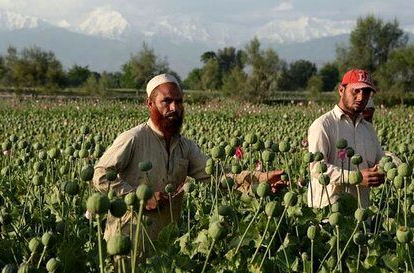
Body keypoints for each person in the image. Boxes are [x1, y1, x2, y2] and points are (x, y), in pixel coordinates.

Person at [93, 73, 285, 244]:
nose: (174, 108)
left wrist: (260, 181)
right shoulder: (134, 138)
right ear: (150, 104)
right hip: (128, 239)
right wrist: (137, 197)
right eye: (166, 101)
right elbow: (100, 175)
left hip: (166, 241)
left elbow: (219, 176)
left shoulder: (184, 146)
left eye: (178, 101)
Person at [307, 69, 385, 208]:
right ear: (341, 90)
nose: (361, 97)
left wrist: (380, 172)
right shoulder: (323, 125)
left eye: (366, 92)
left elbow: (380, 160)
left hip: (361, 214)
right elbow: (316, 169)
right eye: (356, 91)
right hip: (329, 213)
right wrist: (356, 177)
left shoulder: (368, 128)